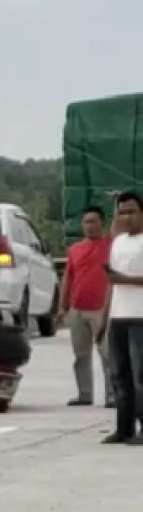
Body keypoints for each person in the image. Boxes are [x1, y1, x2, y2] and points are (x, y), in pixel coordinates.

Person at [58, 205, 113, 406]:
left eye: (93, 222)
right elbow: (67, 278)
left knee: (107, 354)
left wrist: (115, 204)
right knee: (81, 355)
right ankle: (84, 394)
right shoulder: (74, 249)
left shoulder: (110, 244)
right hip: (78, 308)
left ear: (102, 224)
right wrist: (61, 306)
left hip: (101, 308)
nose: (89, 226)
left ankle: (112, 395)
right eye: (86, 222)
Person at [100, 190, 143, 445]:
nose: (126, 217)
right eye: (122, 212)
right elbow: (111, 284)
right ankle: (123, 427)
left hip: (140, 317)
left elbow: (120, 279)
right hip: (119, 316)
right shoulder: (118, 242)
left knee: (141, 377)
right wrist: (105, 318)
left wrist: (124, 280)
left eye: (132, 212)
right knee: (119, 375)